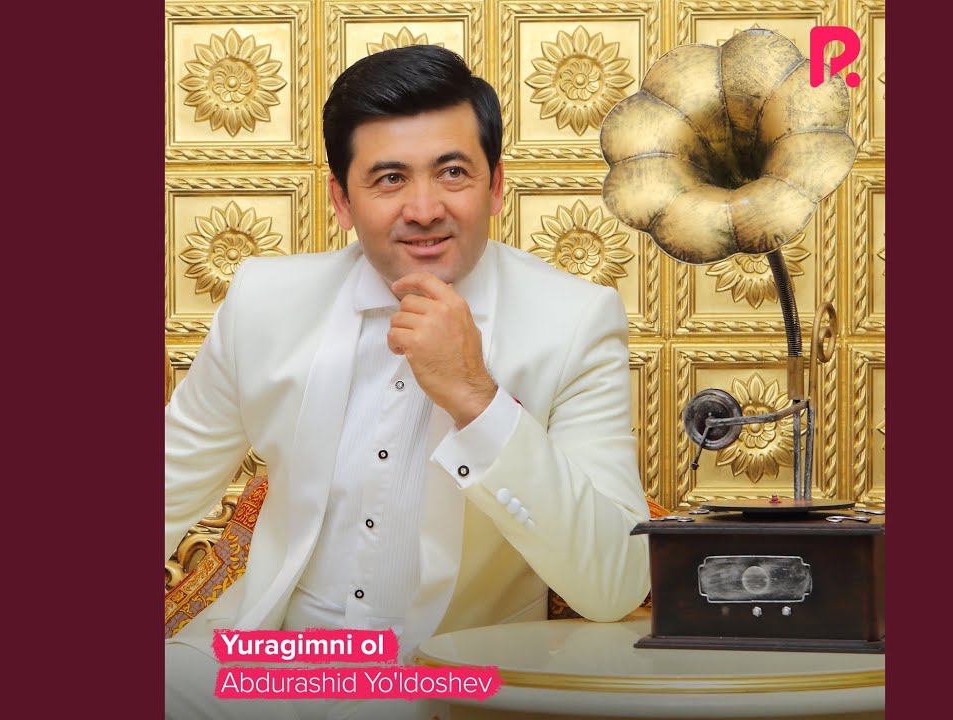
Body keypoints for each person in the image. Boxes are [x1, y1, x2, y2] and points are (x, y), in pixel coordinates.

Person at [165, 45, 650, 719]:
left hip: (445, 673)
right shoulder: (264, 301)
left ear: (495, 185)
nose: (423, 209)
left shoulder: (575, 322)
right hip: (277, 662)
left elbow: (615, 585)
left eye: (452, 172)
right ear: (342, 200)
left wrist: (474, 396)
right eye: (389, 179)